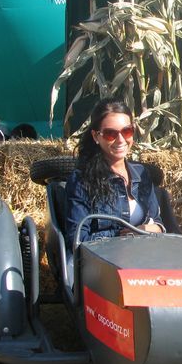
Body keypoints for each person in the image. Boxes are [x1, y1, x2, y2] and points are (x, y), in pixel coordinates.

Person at [64, 98, 164, 250]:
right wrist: (123, 238)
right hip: (103, 264)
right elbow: (77, 240)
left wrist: (150, 230)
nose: (121, 140)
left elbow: (158, 224)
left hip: (144, 258)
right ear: (96, 136)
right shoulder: (82, 180)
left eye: (127, 131)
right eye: (110, 134)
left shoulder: (142, 174)